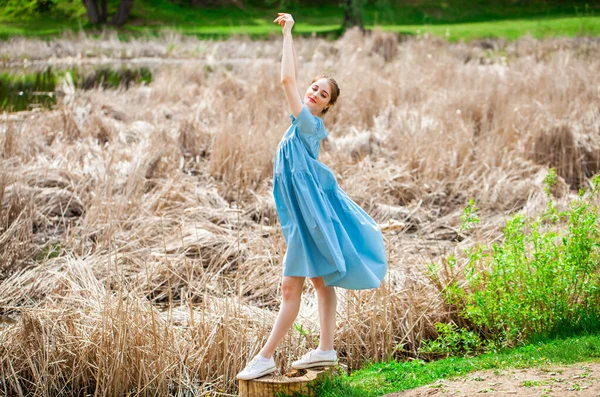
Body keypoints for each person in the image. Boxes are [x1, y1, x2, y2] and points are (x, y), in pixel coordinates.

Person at [236, 13, 388, 381]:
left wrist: (288, 33)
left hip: (308, 220)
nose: (314, 92)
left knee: (291, 288)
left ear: (326, 106)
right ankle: (326, 348)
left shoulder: (307, 125)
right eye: (315, 87)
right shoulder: (298, 128)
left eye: (323, 93)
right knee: (320, 282)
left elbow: (286, 78)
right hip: (302, 219)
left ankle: (266, 356)